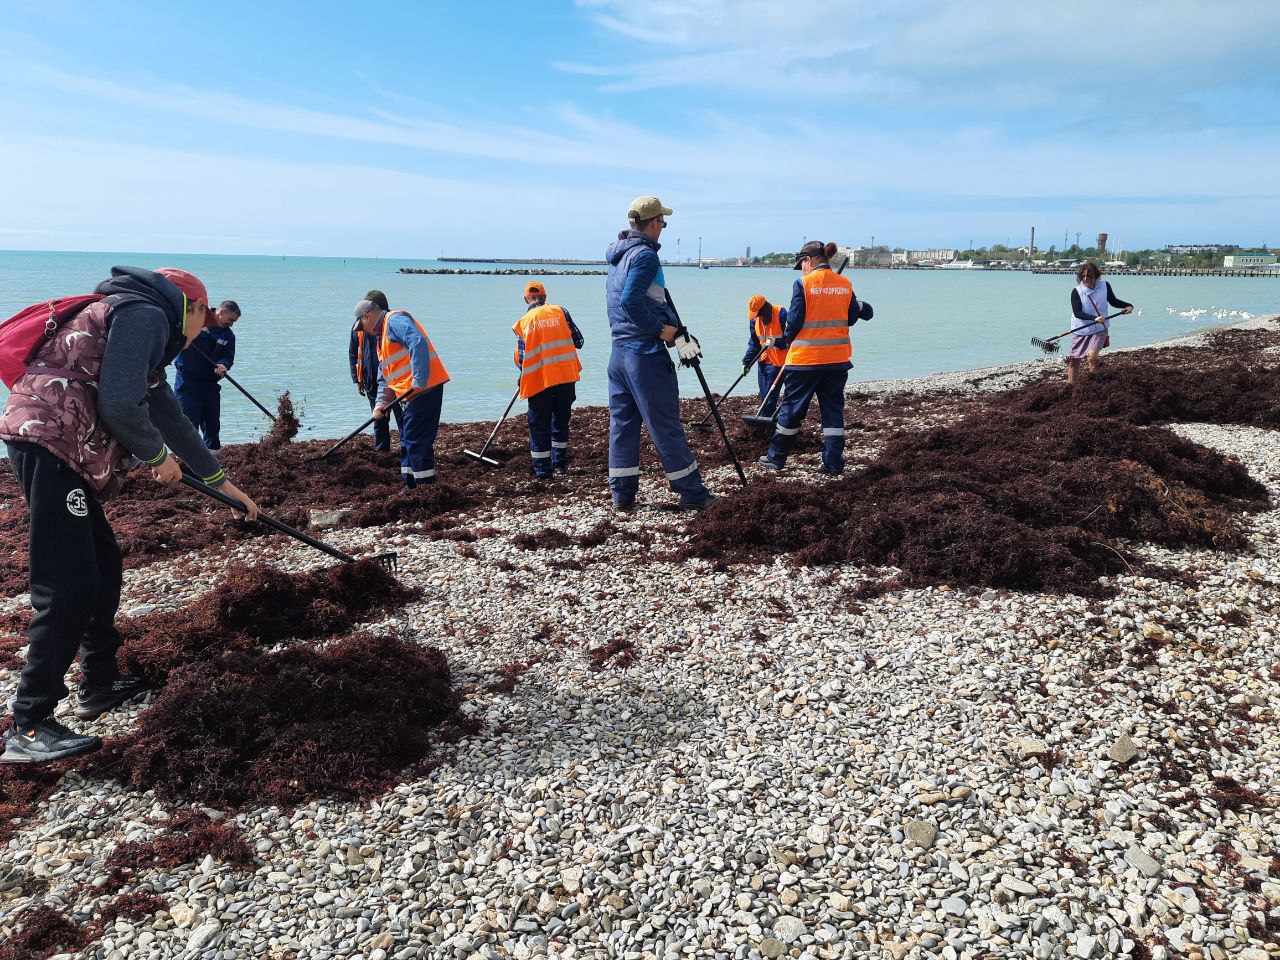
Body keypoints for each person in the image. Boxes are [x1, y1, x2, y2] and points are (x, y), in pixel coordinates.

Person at [0, 267, 261, 764]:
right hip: (48, 442)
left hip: (57, 446)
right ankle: (29, 725)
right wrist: (155, 456)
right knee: (68, 584)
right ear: (193, 308)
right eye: (201, 320)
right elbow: (120, 405)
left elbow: (166, 412)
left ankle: (99, 683)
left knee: (104, 565)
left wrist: (221, 484)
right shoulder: (146, 314)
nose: (200, 332)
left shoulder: (137, 320)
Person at [604, 195, 715, 512]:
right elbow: (631, 302)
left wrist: (676, 331)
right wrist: (661, 330)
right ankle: (691, 492)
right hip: (643, 354)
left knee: (623, 425)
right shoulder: (645, 257)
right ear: (652, 224)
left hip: (619, 354)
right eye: (662, 222)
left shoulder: (617, 259)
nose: (664, 227)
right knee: (665, 424)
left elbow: (632, 304)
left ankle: (622, 497)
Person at [759, 241, 868, 477]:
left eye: (802, 265)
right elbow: (851, 318)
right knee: (833, 412)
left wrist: (786, 340)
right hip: (837, 360)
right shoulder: (844, 284)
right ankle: (833, 463)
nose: (802, 269)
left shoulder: (803, 284)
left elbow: (794, 322)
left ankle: (776, 459)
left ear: (808, 260)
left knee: (792, 410)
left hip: (805, 361)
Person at [356, 299, 449, 490]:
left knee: (416, 440)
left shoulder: (394, 320)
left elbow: (417, 341)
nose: (363, 330)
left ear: (366, 316)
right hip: (409, 395)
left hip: (424, 390)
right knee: (406, 440)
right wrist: (380, 404)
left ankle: (426, 489)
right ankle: (410, 486)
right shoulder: (380, 341)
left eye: (362, 325)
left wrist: (419, 378)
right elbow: (385, 379)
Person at [513, 281, 584, 478]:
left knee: (539, 426)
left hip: (539, 381)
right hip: (565, 377)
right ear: (545, 297)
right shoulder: (561, 311)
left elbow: (522, 359)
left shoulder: (524, 321)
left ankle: (543, 472)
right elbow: (579, 341)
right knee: (560, 421)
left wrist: (522, 375)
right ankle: (560, 464)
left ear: (526, 299)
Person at [173, 299, 241, 449]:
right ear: (221, 312)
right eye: (230, 320)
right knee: (188, 424)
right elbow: (176, 332)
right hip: (187, 384)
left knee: (212, 425)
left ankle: (213, 458)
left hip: (210, 385)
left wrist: (224, 364)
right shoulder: (197, 319)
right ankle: (186, 460)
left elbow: (228, 356)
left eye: (234, 322)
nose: (231, 324)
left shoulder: (229, 336)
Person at [348, 289, 403, 452]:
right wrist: (357, 379)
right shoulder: (359, 327)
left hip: (396, 382)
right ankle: (382, 454)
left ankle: (407, 453)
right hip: (371, 380)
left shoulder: (392, 324)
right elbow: (352, 352)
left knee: (403, 421)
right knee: (379, 422)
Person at [1067, 262, 1133, 384]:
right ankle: (1070, 386)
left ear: (1096, 276)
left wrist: (1128, 305)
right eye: (1083, 276)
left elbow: (1113, 301)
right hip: (1081, 328)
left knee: (1092, 357)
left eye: (1089, 276)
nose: (1086, 279)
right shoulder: (1076, 291)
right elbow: (1077, 313)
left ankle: (1094, 384)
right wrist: (1094, 318)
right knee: (1074, 360)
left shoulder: (1105, 286)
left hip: (1100, 328)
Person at [743, 293, 788, 418]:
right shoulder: (754, 320)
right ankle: (768, 422)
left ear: (765, 308)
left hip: (779, 363)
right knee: (764, 397)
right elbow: (754, 343)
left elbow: (791, 339)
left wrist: (774, 341)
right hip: (763, 362)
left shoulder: (781, 314)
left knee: (769, 398)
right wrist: (746, 362)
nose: (757, 317)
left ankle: (767, 426)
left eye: (758, 314)